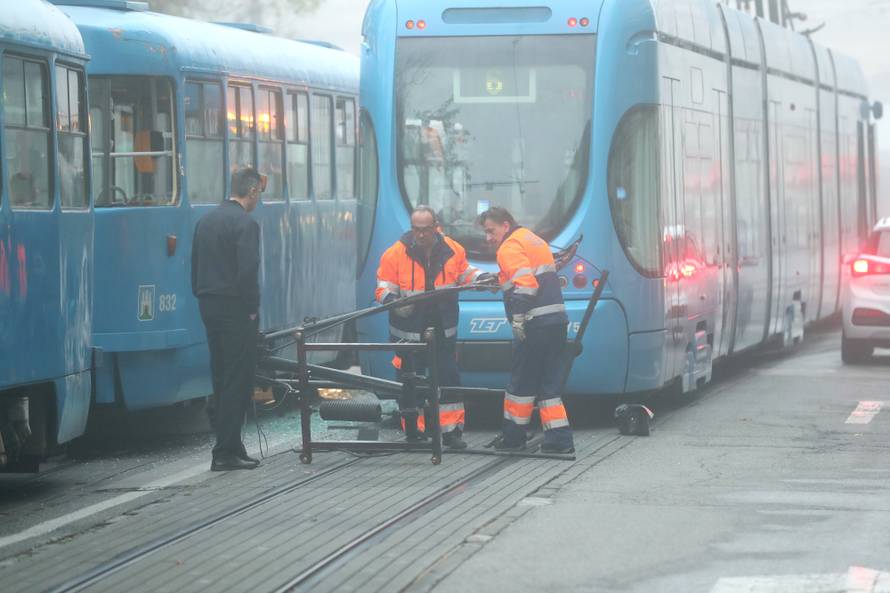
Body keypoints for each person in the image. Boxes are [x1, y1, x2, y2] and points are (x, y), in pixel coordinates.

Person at [376, 206, 494, 449]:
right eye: (416, 230)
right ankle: (414, 432)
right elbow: (382, 287)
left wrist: (482, 279)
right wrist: (393, 302)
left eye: (425, 230)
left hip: (442, 330)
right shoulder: (394, 254)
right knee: (411, 382)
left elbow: (465, 273)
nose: (420, 235)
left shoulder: (452, 249)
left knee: (449, 380)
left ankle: (451, 433)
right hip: (408, 334)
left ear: (435, 226)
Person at [477, 206, 575, 454]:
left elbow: (526, 285)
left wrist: (518, 318)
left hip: (534, 325)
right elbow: (529, 274)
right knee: (549, 386)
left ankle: (513, 439)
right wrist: (499, 281)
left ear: (505, 225)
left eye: (491, 231)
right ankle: (559, 440)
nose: (488, 237)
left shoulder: (508, 247)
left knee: (521, 384)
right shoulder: (533, 239)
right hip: (555, 322)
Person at [191, 167, 266, 471]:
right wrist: (252, 306)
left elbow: (194, 264)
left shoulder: (205, 221)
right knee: (238, 378)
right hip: (236, 308)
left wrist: (201, 294)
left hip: (209, 304)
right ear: (252, 192)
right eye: (259, 194)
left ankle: (230, 447)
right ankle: (225, 452)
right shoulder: (245, 225)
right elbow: (247, 271)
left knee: (220, 376)